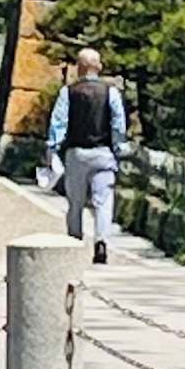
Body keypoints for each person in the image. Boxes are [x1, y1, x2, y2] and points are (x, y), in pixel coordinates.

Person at [38, 47, 126, 264]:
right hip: (103, 153)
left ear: (79, 68)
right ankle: (101, 242)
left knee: (75, 202)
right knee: (103, 200)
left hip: (76, 153)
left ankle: (74, 242)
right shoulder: (110, 92)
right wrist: (119, 148)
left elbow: (59, 123)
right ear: (99, 67)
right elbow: (118, 125)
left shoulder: (68, 92)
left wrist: (52, 148)